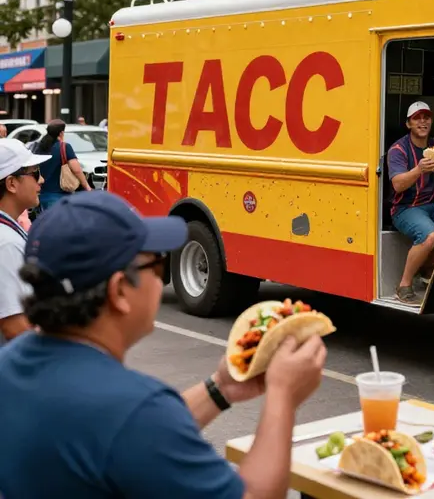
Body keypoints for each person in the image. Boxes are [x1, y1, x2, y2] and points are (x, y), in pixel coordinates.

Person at [0, 191, 328, 498]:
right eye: (156, 265)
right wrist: (283, 398)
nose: (161, 279)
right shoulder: (134, 408)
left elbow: (135, 437)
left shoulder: (11, 363)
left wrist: (221, 388)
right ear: (118, 291)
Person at [388, 101, 434, 305]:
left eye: (426, 117)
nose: (422, 121)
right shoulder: (398, 150)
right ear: (408, 124)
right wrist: (419, 169)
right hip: (405, 208)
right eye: (417, 118)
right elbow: (398, 185)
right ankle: (404, 284)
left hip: (433, 204)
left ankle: (429, 265)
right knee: (430, 235)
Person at [0, 139, 50, 344]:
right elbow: (15, 326)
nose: (42, 180)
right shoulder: (6, 243)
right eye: (35, 173)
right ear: (11, 183)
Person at [35, 119, 91, 209]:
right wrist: (87, 187)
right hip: (60, 197)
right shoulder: (64, 147)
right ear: (61, 133)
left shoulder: (39, 147)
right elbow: (77, 170)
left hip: (40, 195)